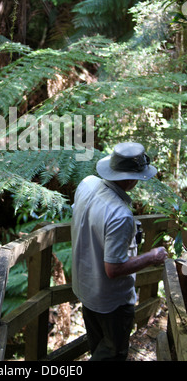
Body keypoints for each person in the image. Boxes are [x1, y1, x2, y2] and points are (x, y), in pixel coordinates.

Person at [71, 142, 167, 361]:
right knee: (114, 354)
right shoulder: (120, 214)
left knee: (98, 347)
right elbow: (113, 269)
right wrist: (152, 257)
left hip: (85, 289)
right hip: (111, 301)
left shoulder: (88, 184)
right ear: (132, 178)